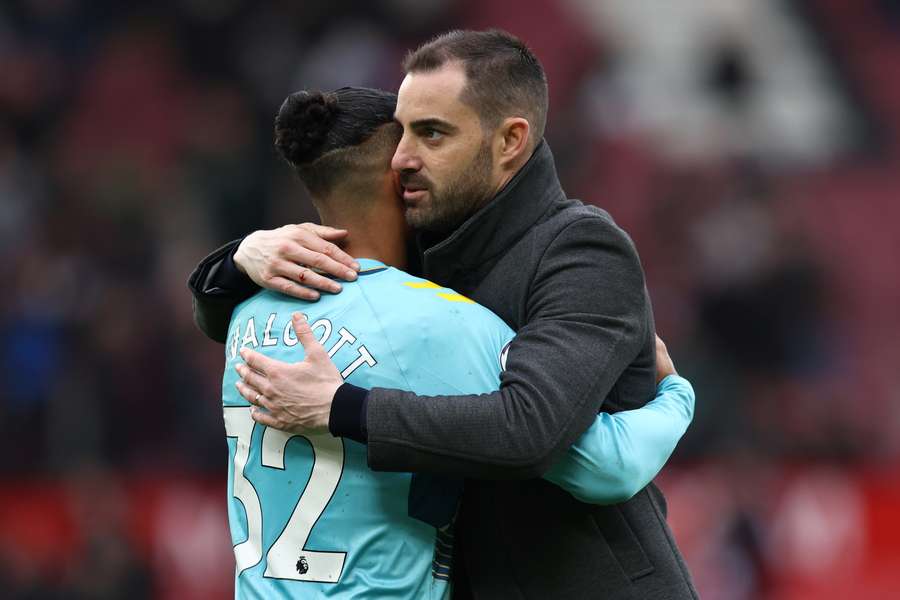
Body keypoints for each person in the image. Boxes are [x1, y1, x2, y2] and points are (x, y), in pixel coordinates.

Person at [193, 30, 698, 598]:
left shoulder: (580, 249)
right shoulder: (424, 251)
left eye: (432, 134)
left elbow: (534, 429)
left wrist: (343, 407)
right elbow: (223, 316)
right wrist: (240, 259)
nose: (402, 159)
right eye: (402, 131)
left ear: (509, 140)